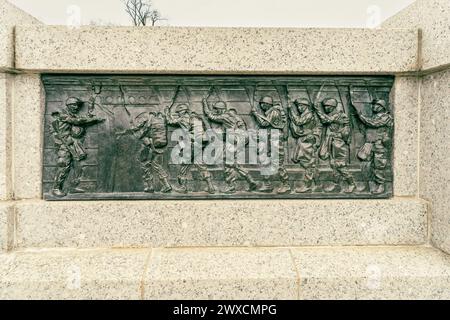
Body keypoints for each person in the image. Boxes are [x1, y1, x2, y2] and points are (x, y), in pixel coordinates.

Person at [50, 97, 105, 197]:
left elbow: (79, 119)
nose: (76, 107)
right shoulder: (63, 114)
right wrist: (94, 119)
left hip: (73, 145)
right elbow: (77, 121)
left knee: (78, 167)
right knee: (64, 165)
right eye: (74, 105)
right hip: (64, 144)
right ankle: (56, 188)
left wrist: (89, 115)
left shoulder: (72, 114)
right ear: (68, 105)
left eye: (77, 105)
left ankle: (73, 186)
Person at [203, 98, 258, 193]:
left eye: (217, 109)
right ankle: (250, 180)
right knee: (232, 162)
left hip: (234, 139)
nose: (216, 111)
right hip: (240, 139)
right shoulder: (233, 115)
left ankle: (231, 186)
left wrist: (204, 102)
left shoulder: (224, 116)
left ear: (221, 109)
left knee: (228, 161)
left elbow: (210, 116)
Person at [165, 103, 216, 194]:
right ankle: (210, 187)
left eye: (179, 112)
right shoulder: (196, 117)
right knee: (201, 166)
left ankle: (183, 187)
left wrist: (166, 112)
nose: (179, 114)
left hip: (191, 144)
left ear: (182, 111)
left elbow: (170, 121)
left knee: (184, 165)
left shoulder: (182, 119)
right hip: (200, 144)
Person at [116, 112, 172, 193]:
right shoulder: (155, 123)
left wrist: (126, 130)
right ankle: (165, 185)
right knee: (156, 165)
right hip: (158, 147)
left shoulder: (144, 125)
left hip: (149, 147)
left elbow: (135, 130)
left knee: (146, 165)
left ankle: (151, 186)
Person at [351, 96, 393, 194]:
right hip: (369, 144)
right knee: (367, 165)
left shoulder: (385, 117)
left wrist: (360, 116)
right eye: (373, 104)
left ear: (382, 106)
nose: (374, 106)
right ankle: (369, 186)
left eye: (376, 105)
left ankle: (381, 186)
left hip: (379, 145)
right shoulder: (375, 116)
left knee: (379, 166)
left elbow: (372, 123)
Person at [314, 98, 356, 193]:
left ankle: (351, 183)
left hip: (338, 143)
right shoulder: (332, 115)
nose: (326, 108)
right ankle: (338, 185)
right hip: (330, 141)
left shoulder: (339, 115)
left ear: (333, 106)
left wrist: (317, 109)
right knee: (333, 163)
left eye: (328, 106)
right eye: (324, 106)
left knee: (339, 164)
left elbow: (326, 120)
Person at [251, 96, 291, 194]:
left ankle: (286, 185)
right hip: (267, 139)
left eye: (264, 104)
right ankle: (267, 185)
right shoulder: (269, 112)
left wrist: (255, 114)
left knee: (278, 162)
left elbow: (264, 123)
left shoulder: (274, 112)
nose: (262, 105)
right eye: (261, 104)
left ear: (269, 104)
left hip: (275, 139)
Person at [288, 98, 322, 193]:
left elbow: (299, 122)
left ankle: (308, 186)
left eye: (301, 106)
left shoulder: (309, 114)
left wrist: (291, 110)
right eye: (298, 106)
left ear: (306, 106)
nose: (299, 108)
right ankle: (318, 184)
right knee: (307, 162)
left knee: (307, 162)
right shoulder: (305, 114)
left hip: (307, 140)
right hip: (303, 139)